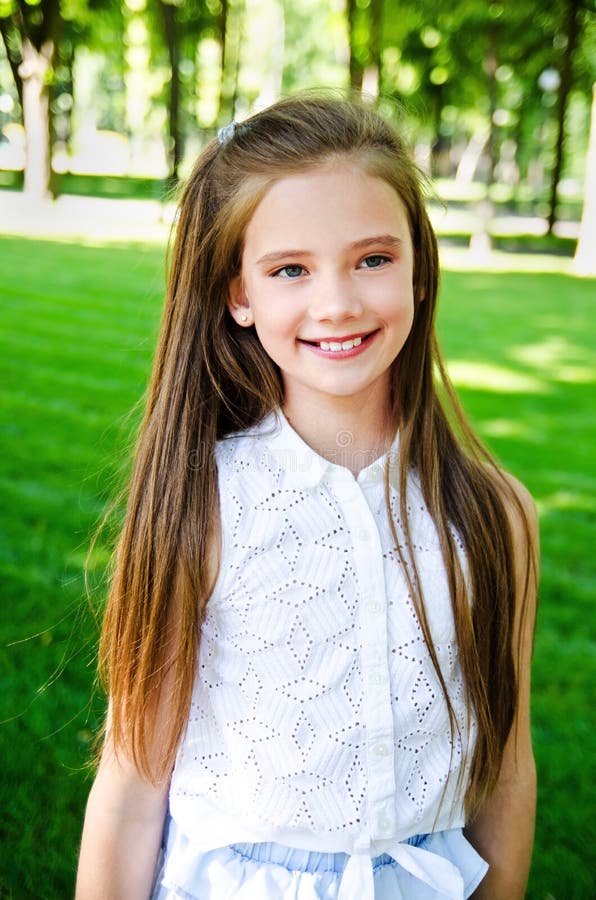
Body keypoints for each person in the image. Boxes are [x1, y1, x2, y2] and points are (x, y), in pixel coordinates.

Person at [76, 96, 538, 900]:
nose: (337, 304)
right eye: (291, 269)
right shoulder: (203, 505)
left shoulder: (497, 516)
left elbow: (507, 770)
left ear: (420, 267)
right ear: (238, 295)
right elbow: (131, 787)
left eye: (372, 259)